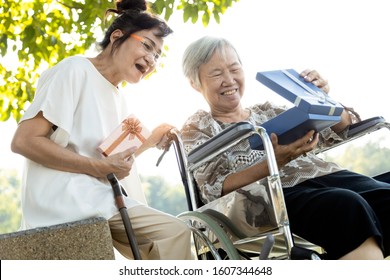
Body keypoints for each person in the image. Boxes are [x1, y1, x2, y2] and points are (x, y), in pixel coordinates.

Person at [10, 0, 192, 260]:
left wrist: (150, 140)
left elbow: (105, 161)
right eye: (148, 46)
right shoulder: (75, 69)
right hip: (66, 196)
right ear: (117, 37)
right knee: (175, 232)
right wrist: (100, 168)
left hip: (97, 195)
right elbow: (24, 141)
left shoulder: (118, 97)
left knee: (157, 250)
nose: (152, 60)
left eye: (158, 55)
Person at [180, 35, 390, 260]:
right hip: (270, 197)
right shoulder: (199, 126)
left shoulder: (268, 111)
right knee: (346, 205)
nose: (229, 80)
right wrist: (274, 162)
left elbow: (341, 127)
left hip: (324, 176)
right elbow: (214, 187)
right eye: (216, 73)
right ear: (195, 82)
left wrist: (320, 96)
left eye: (234, 69)